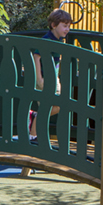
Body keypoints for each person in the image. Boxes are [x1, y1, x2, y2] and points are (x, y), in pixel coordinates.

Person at [28, 9, 72, 143]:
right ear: (53, 25)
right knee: (52, 106)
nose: (67, 29)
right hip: (44, 79)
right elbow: (36, 57)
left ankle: (34, 117)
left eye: (69, 26)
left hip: (53, 79)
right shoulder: (47, 40)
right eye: (64, 26)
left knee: (58, 105)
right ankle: (33, 135)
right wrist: (39, 78)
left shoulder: (58, 41)